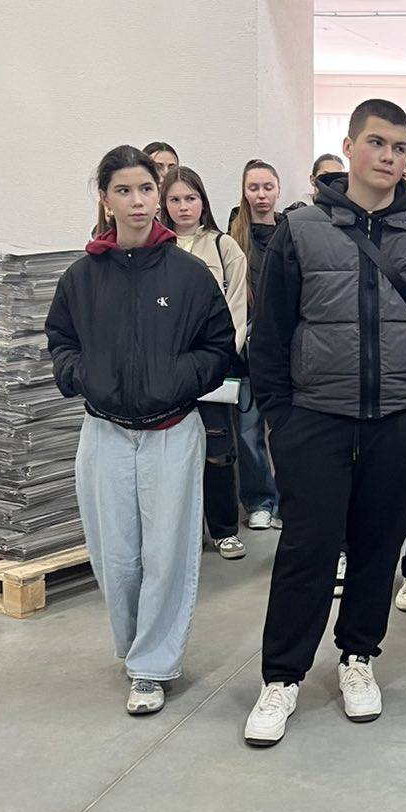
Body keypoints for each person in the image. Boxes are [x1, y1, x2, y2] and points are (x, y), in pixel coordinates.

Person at [242, 98, 406, 744]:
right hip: (316, 419)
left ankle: (358, 657)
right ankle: (282, 676)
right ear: (348, 148)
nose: (389, 157)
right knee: (307, 549)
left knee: (377, 546)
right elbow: (270, 335)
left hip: (399, 421)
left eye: (399, 148)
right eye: (377, 143)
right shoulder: (301, 230)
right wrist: (282, 419)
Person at [45, 146, 234, 716]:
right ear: (105, 200)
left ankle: (152, 667)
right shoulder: (82, 277)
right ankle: (131, 649)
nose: (137, 201)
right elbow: (61, 340)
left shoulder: (188, 274)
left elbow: (219, 346)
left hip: (172, 432)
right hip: (103, 434)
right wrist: (82, 375)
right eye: (123, 190)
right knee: (116, 556)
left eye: (146, 189)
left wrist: (177, 378)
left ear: (160, 196)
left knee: (168, 554)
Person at [161, 165, 250, 561]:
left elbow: (237, 309)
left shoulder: (223, 246)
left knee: (218, 450)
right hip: (167, 370)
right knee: (171, 456)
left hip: (211, 367)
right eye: (175, 199)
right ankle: (182, 536)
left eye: (191, 198)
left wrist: (220, 357)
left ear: (203, 201)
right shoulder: (156, 249)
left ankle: (225, 530)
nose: (183, 207)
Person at [229, 160, 282, 530]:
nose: (261, 195)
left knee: (287, 432)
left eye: (267, 187)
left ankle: (290, 502)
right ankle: (260, 501)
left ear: (278, 189)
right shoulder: (233, 239)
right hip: (246, 351)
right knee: (248, 433)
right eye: (253, 188)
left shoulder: (291, 231)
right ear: (244, 191)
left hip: (283, 350)